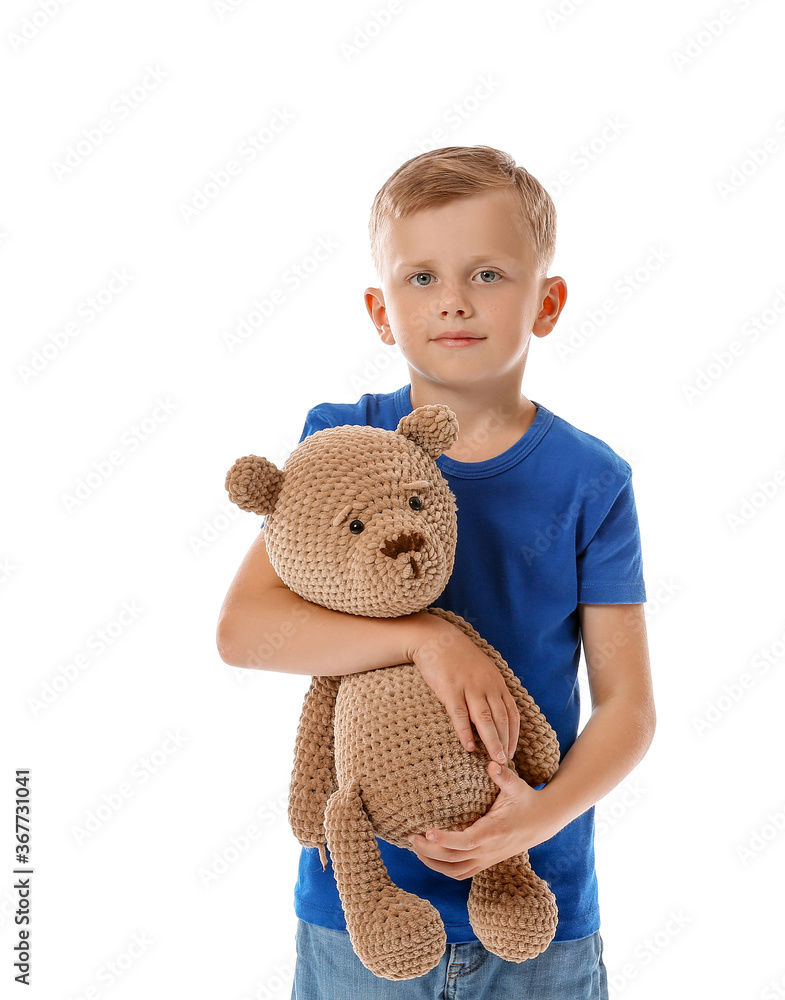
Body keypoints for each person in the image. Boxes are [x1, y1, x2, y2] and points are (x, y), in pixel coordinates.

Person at [216, 144, 655, 999]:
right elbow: (243, 631)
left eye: (488, 274)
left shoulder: (590, 480)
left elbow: (629, 709)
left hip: (538, 906)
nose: (452, 299)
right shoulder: (340, 445)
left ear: (548, 301)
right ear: (381, 312)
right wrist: (423, 640)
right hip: (359, 905)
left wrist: (539, 816)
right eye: (421, 278)